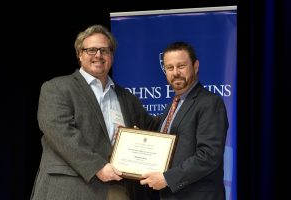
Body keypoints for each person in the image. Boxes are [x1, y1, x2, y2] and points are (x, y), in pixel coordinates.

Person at [30, 24, 159, 200]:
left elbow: (151, 129)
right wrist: (97, 166)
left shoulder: (126, 97)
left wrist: (181, 103)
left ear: (112, 56)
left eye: (104, 50)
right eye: (91, 50)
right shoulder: (56, 88)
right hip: (70, 189)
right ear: (79, 55)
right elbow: (60, 133)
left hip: (117, 189)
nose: (98, 55)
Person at [140, 41, 229, 200]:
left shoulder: (210, 102)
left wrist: (167, 179)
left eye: (181, 66)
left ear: (195, 66)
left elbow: (209, 155)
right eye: (169, 68)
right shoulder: (173, 106)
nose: (175, 73)